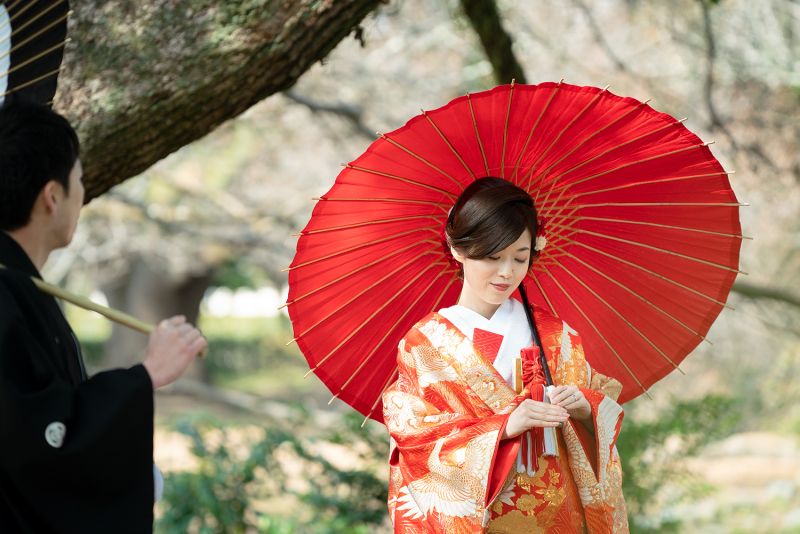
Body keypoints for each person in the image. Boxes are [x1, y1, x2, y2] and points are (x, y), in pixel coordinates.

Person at [0, 102, 207, 533]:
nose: (83, 195)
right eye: (79, 182)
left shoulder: (20, 288)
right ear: (52, 196)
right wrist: (145, 375)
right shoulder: (6, 294)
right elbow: (37, 442)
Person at [382, 177, 628, 533]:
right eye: (492, 257)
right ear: (458, 250)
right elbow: (416, 437)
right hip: (484, 520)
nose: (507, 272)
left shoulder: (556, 334)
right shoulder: (424, 343)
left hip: (562, 516)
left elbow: (603, 403)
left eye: (520, 257)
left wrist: (584, 407)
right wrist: (503, 428)